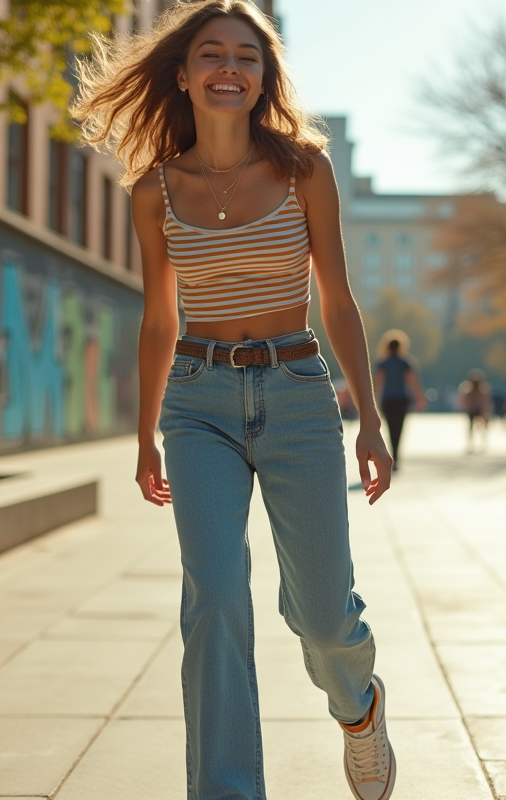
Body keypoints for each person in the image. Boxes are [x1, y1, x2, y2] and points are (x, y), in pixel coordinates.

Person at [72, 3, 395, 799]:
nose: (229, 68)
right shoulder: (153, 190)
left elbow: (337, 301)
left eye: (246, 57)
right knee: (214, 598)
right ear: (184, 75)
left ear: (263, 78)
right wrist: (144, 437)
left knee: (322, 616)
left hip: (296, 394)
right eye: (211, 54)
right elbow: (159, 318)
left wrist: (371, 420)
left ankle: (357, 707)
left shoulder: (305, 171)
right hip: (198, 402)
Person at [373, 330, 425, 472]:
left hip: (388, 400)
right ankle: (396, 456)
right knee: (399, 428)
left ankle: (392, 455)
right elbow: (413, 381)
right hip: (402, 400)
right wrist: (420, 397)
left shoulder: (383, 363)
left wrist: (372, 401)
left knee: (390, 428)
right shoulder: (405, 362)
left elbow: (377, 383)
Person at [458, 368, 491, 453]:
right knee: (471, 427)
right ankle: (471, 443)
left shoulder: (482, 389)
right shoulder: (468, 389)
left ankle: (482, 442)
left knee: (481, 427)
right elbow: (464, 400)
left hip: (479, 410)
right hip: (472, 410)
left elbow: (485, 401)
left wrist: (485, 410)